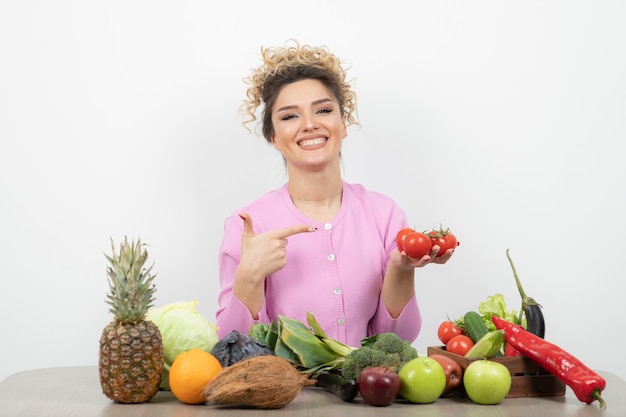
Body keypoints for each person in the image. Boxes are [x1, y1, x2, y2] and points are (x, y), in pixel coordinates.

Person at [215, 40, 454, 347]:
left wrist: (400, 268)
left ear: (343, 123)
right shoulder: (248, 224)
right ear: (273, 136)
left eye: (324, 110)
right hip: (285, 394)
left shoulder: (385, 215)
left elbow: (396, 340)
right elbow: (231, 346)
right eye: (290, 116)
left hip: (365, 393)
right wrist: (249, 276)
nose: (310, 125)